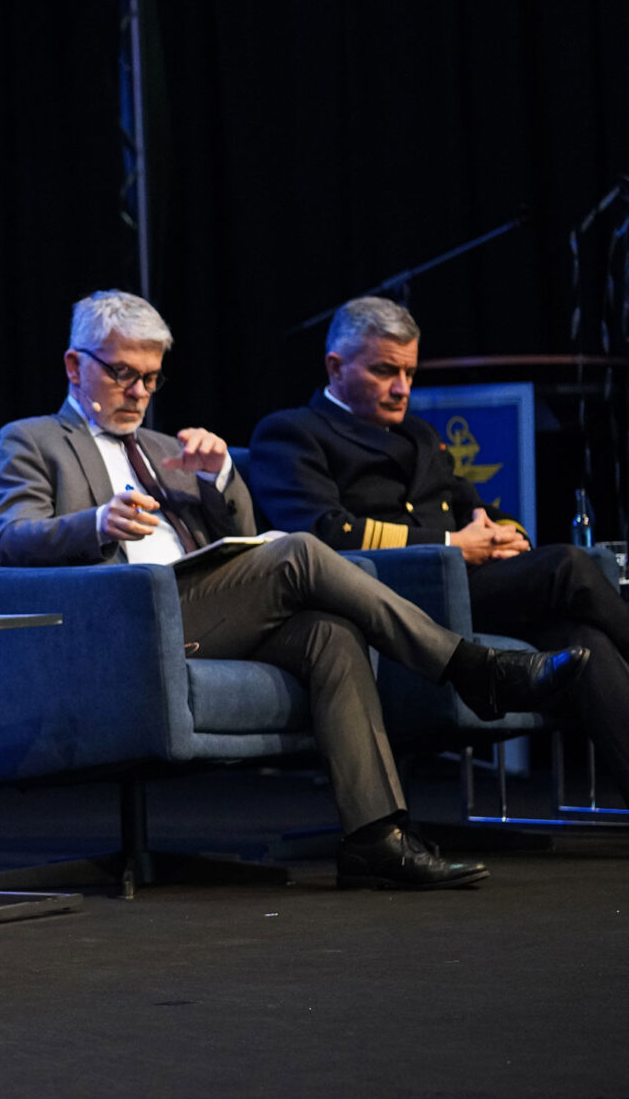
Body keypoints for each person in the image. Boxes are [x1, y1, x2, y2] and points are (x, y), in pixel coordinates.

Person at [0, 289, 589, 890]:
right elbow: (11, 539)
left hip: (203, 613)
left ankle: (374, 838)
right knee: (299, 549)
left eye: (151, 378)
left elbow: (244, 540)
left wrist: (221, 478)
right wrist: (95, 522)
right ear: (73, 365)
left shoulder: (169, 450)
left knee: (331, 633)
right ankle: (471, 668)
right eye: (122, 375)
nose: (140, 393)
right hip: (124, 618)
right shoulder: (31, 440)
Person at [248, 295, 629, 806]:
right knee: (569, 564)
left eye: (409, 372)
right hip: (391, 598)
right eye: (385, 372)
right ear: (335, 368)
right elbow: (322, 533)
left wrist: (506, 536)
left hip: (466, 590)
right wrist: (453, 545)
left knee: (583, 641)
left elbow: (477, 508)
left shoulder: (421, 434)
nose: (402, 388)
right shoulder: (294, 432)